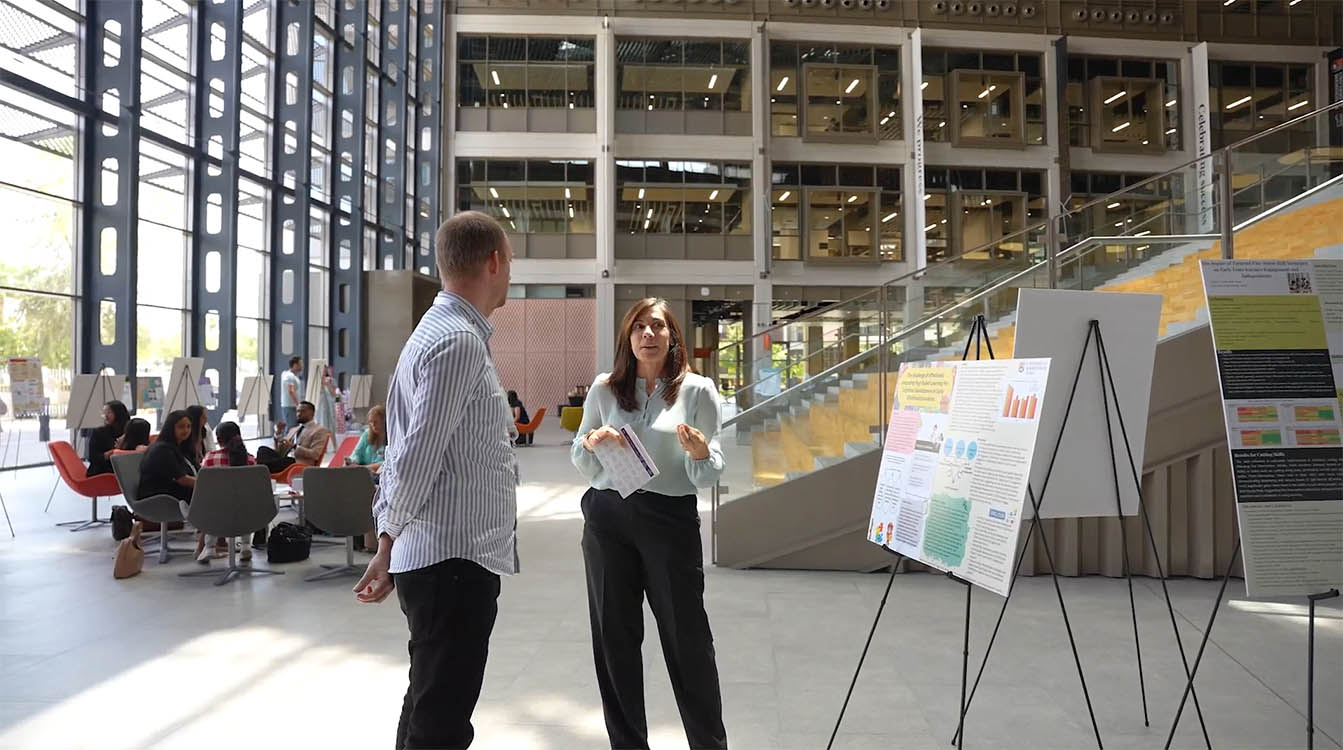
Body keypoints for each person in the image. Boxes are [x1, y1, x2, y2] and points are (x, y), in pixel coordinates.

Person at [354, 210, 519, 750]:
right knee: (442, 721)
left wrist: (388, 542)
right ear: (493, 262)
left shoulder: (441, 333)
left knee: (428, 703)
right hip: (452, 562)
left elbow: (413, 451)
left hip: (445, 559)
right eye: (510, 263)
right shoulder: (457, 342)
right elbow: (416, 456)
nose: (509, 274)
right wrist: (386, 542)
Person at [571, 297, 728, 750]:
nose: (648, 335)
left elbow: (707, 470)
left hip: (668, 520)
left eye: (657, 326)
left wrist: (700, 453)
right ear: (628, 338)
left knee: (687, 639)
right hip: (607, 517)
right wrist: (593, 442)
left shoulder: (697, 391)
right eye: (638, 327)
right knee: (614, 639)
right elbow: (581, 457)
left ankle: (709, 744)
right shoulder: (605, 389)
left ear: (672, 335)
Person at [200, 421, 259, 562]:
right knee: (244, 502)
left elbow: (203, 486)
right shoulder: (250, 460)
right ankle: (245, 546)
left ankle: (210, 548)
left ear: (219, 440)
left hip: (216, 510)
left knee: (212, 504)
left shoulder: (209, 458)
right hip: (246, 510)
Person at [349, 404, 387, 553]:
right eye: (370, 422)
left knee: (367, 489)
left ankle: (369, 542)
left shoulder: (392, 437)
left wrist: (366, 468)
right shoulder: (366, 435)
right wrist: (353, 461)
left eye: (376, 422)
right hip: (364, 474)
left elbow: (385, 463)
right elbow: (356, 453)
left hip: (378, 476)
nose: (372, 425)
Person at [256, 400, 330, 473]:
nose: (299, 414)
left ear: (312, 413)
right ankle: (260, 469)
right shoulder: (294, 430)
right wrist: (278, 433)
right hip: (285, 460)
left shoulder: (319, 430)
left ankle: (259, 469)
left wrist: (294, 447)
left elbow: (315, 454)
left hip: (298, 463)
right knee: (262, 450)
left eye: (303, 411)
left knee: (266, 463)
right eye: (297, 411)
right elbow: (280, 451)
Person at [86, 400, 130, 476]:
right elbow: (93, 458)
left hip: (124, 468)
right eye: (104, 413)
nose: (105, 416)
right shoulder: (99, 432)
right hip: (103, 470)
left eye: (109, 412)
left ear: (119, 413)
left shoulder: (129, 430)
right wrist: (113, 452)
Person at [185, 404, 215, 469]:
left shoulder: (206, 431)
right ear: (196, 418)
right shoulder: (186, 435)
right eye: (203, 417)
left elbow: (211, 450)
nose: (206, 419)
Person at [279, 355, 303, 430]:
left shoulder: (293, 376)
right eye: (300, 364)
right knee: (290, 429)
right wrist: (298, 405)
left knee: (295, 429)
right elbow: (291, 391)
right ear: (295, 365)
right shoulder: (289, 376)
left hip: (293, 406)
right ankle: (287, 441)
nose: (302, 366)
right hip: (290, 406)